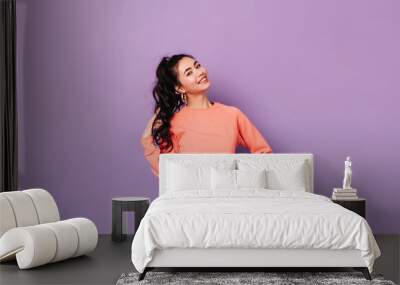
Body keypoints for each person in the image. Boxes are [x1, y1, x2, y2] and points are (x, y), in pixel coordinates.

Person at [141, 54, 273, 177]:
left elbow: (264, 153)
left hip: (227, 194)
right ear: (180, 88)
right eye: (189, 73)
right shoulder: (174, 122)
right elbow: (168, 172)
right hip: (191, 196)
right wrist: (147, 138)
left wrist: (243, 179)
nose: (200, 72)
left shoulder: (232, 114)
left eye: (197, 66)